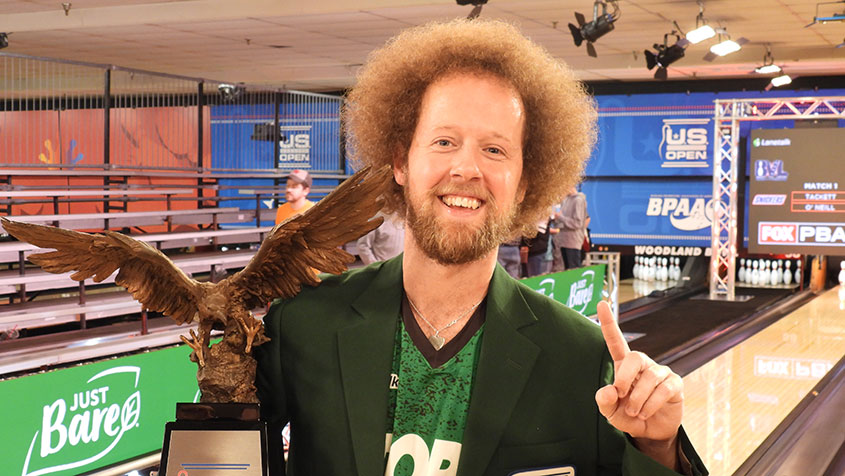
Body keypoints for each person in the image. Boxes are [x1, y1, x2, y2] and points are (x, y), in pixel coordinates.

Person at [256, 19, 706, 476]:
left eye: (495, 150)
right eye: (444, 141)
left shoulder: (581, 358)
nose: (466, 168)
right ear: (400, 162)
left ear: (525, 182)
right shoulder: (303, 325)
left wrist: (658, 448)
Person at [554, 186, 588, 270]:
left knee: (574, 270)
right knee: (567, 270)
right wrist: (556, 218)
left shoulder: (578, 200)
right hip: (563, 241)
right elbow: (561, 220)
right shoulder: (566, 200)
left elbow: (577, 223)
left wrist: (560, 217)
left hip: (573, 242)